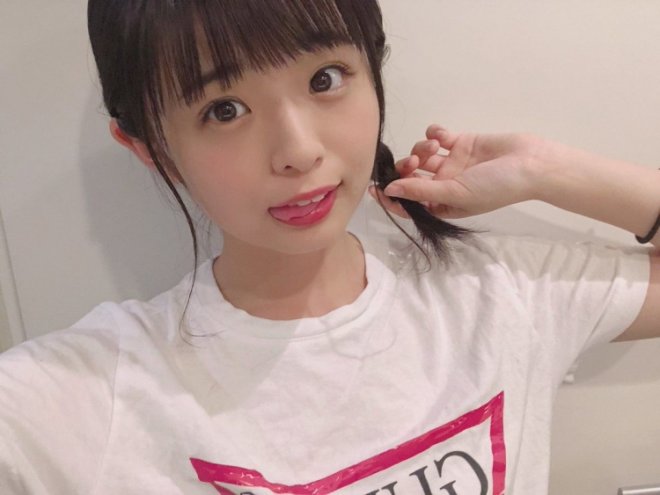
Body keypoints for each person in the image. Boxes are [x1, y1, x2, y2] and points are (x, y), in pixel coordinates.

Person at [0, 0, 657, 494]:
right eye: (224, 109)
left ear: (373, 67)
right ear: (150, 148)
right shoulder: (91, 395)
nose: (298, 150)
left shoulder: (497, 293)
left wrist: (545, 169)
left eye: (324, 79)